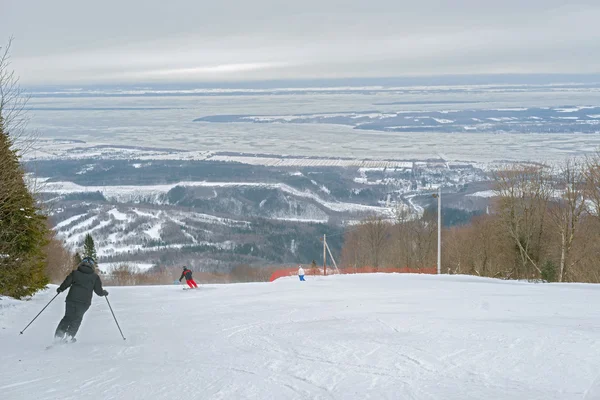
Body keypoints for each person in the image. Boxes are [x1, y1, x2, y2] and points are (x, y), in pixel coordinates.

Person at [55, 256, 108, 343]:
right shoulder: (95, 277)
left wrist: (60, 289)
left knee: (67, 318)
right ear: (92, 266)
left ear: (82, 264)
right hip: (84, 303)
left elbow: (67, 282)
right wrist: (104, 293)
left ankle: (58, 337)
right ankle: (69, 337)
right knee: (77, 319)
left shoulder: (75, 273)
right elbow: (99, 291)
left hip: (71, 300)